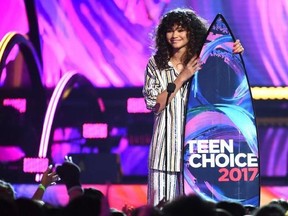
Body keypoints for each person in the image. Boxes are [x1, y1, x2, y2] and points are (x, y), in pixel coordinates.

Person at [142, 8, 244, 206]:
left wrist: (235, 52)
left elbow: (230, 86)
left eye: (181, 30)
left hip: (200, 154)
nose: (175, 35)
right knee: (161, 208)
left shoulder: (205, 60)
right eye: (170, 31)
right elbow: (155, 104)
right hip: (166, 153)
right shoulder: (156, 64)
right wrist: (182, 77)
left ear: (191, 33)